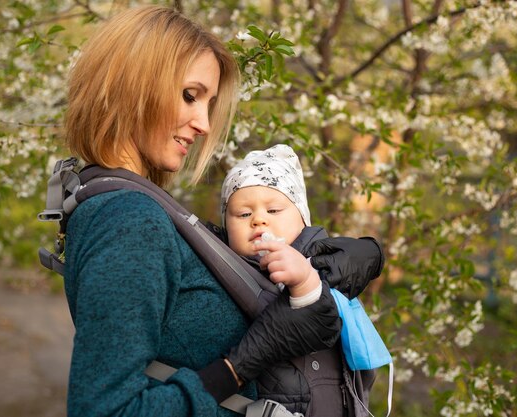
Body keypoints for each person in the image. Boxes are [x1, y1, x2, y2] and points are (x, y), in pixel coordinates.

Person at [61, 5, 380, 417]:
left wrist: (347, 257)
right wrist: (240, 365)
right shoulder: (129, 219)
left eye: (208, 103)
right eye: (190, 95)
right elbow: (105, 410)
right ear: (131, 85)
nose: (204, 124)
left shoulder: (138, 209)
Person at [221, 144, 385, 415]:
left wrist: (306, 277)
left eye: (273, 211)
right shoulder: (225, 275)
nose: (259, 220)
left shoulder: (328, 266)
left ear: (302, 218)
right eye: (244, 214)